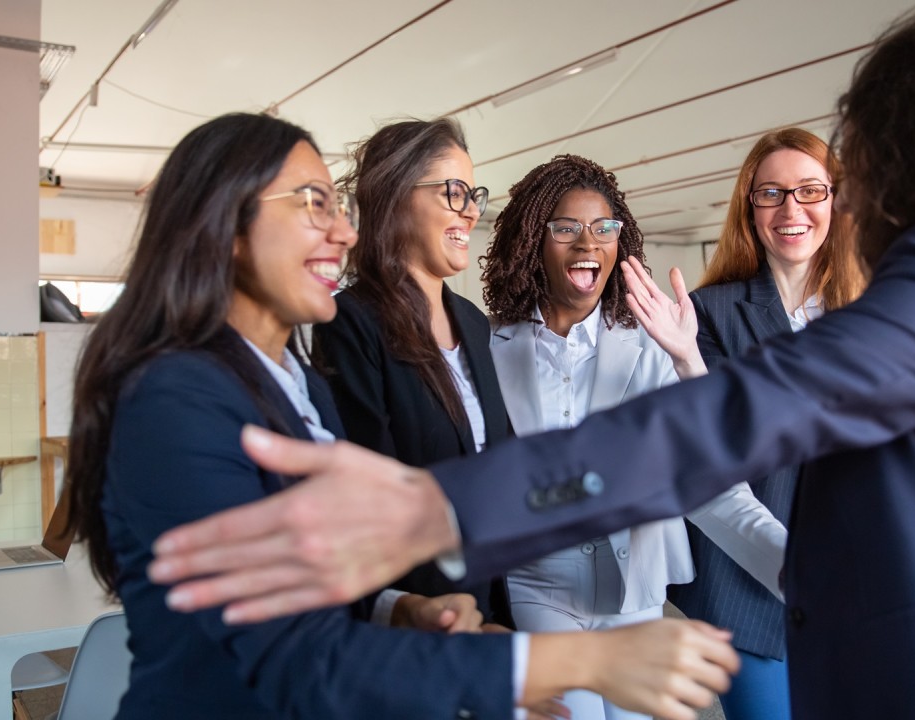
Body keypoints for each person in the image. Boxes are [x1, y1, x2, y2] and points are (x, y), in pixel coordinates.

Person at [147, 8, 915, 719]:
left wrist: (440, 511)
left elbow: (733, 421)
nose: (842, 201)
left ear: (898, 154)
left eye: (845, 167)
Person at [65, 112, 738, 720]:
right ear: (225, 226)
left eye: (338, 205)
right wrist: (576, 663)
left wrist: (400, 608)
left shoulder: (293, 381)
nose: (342, 230)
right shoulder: (175, 399)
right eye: (312, 205)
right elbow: (289, 655)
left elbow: (319, 574)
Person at [481, 154, 787, 720]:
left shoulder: (653, 346)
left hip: (637, 590)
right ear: (532, 242)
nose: (587, 243)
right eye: (565, 228)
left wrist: (799, 567)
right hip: (541, 586)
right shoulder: (491, 349)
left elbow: (709, 476)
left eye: (604, 228)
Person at [626, 127, 865, 720]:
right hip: (749, 589)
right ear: (749, 207)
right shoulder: (710, 314)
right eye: (772, 193)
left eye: (811, 190)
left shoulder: (869, 311)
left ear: (836, 200)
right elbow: (715, 451)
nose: (792, 209)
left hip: (862, 577)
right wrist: (686, 360)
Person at [311, 117, 514, 628]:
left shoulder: (471, 321)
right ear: (397, 196)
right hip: (415, 615)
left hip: (486, 601)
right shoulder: (351, 323)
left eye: (474, 195)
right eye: (454, 192)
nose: (470, 212)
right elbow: (365, 501)